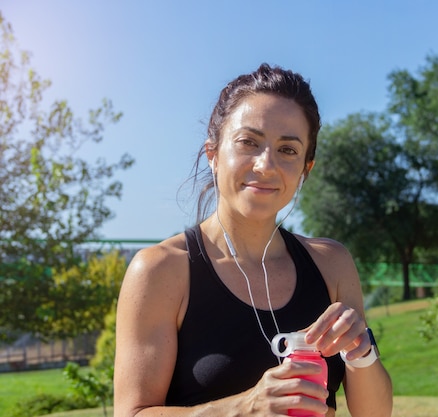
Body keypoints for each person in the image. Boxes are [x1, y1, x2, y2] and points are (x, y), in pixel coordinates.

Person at [114, 63, 393, 417]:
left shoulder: (332, 263)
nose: (265, 165)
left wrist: (360, 350)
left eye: (288, 150)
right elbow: (132, 413)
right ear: (213, 155)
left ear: (306, 170)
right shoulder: (161, 270)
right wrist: (245, 407)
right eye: (248, 142)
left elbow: (376, 413)